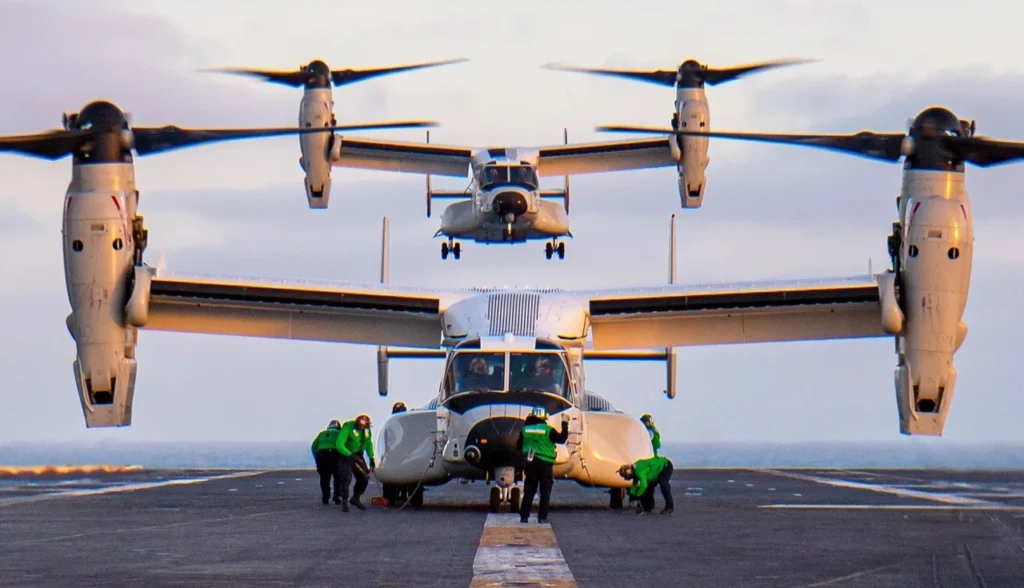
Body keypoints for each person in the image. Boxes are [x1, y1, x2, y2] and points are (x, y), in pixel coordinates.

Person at [516, 406, 570, 524]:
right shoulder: (548, 430)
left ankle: (524, 516)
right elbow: (562, 439)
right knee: (545, 491)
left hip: (530, 462)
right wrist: (565, 423)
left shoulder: (525, 430)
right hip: (545, 464)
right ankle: (542, 517)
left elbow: (519, 445)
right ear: (545, 417)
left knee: (529, 490)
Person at [337, 414, 375, 511]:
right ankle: (344, 502)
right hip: (345, 454)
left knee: (364, 477)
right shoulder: (348, 428)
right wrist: (350, 454)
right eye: (360, 425)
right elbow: (339, 444)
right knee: (346, 478)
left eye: (364, 425)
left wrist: (371, 458)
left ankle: (356, 498)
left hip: (358, 454)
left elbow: (368, 443)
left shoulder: (367, 430)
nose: (362, 427)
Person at [310, 419, 344, 505]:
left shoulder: (321, 433)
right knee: (337, 477)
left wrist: (316, 458)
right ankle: (337, 497)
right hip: (333, 454)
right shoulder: (339, 433)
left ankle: (325, 498)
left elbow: (313, 446)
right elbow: (342, 445)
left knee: (324, 477)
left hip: (321, 454)